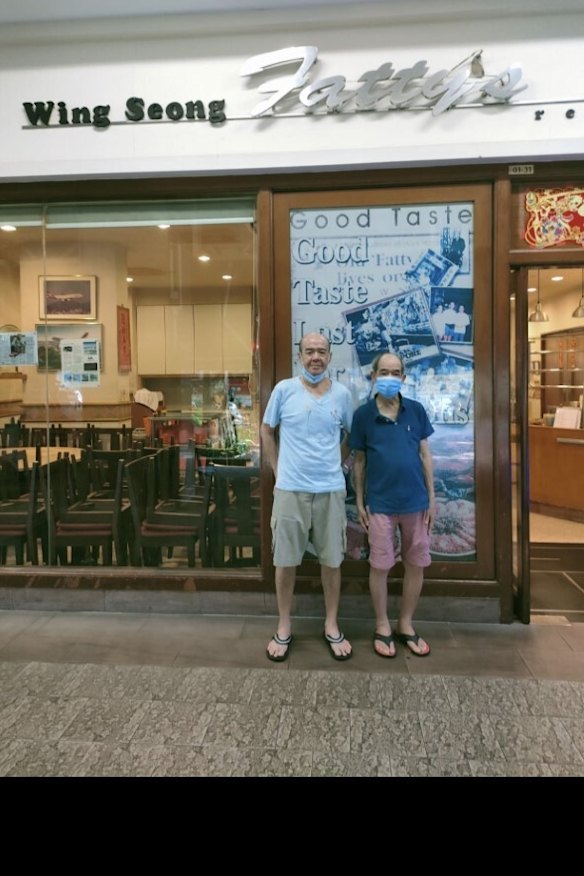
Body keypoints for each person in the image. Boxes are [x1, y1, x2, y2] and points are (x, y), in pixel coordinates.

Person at [261, 331, 354, 662]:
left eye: (321, 351)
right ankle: (284, 624)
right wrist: (277, 471)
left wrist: (338, 464)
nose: (316, 357)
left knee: (332, 560)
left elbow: (351, 436)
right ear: (300, 356)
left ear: (330, 357)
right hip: (290, 490)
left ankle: (331, 623)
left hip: (329, 489)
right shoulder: (284, 390)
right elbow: (267, 430)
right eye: (309, 351)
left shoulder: (342, 395)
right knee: (284, 560)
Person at [350, 351, 435, 658]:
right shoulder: (363, 415)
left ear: (403, 377)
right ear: (372, 376)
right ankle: (382, 625)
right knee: (380, 565)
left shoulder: (416, 411)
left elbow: (425, 455)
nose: (389, 377)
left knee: (416, 564)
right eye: (383, 372)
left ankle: (406, 624)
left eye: (395, 372)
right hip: (381, 504)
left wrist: (432, 498)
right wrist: (360, 501)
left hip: (416, 503)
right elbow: (359, 462)